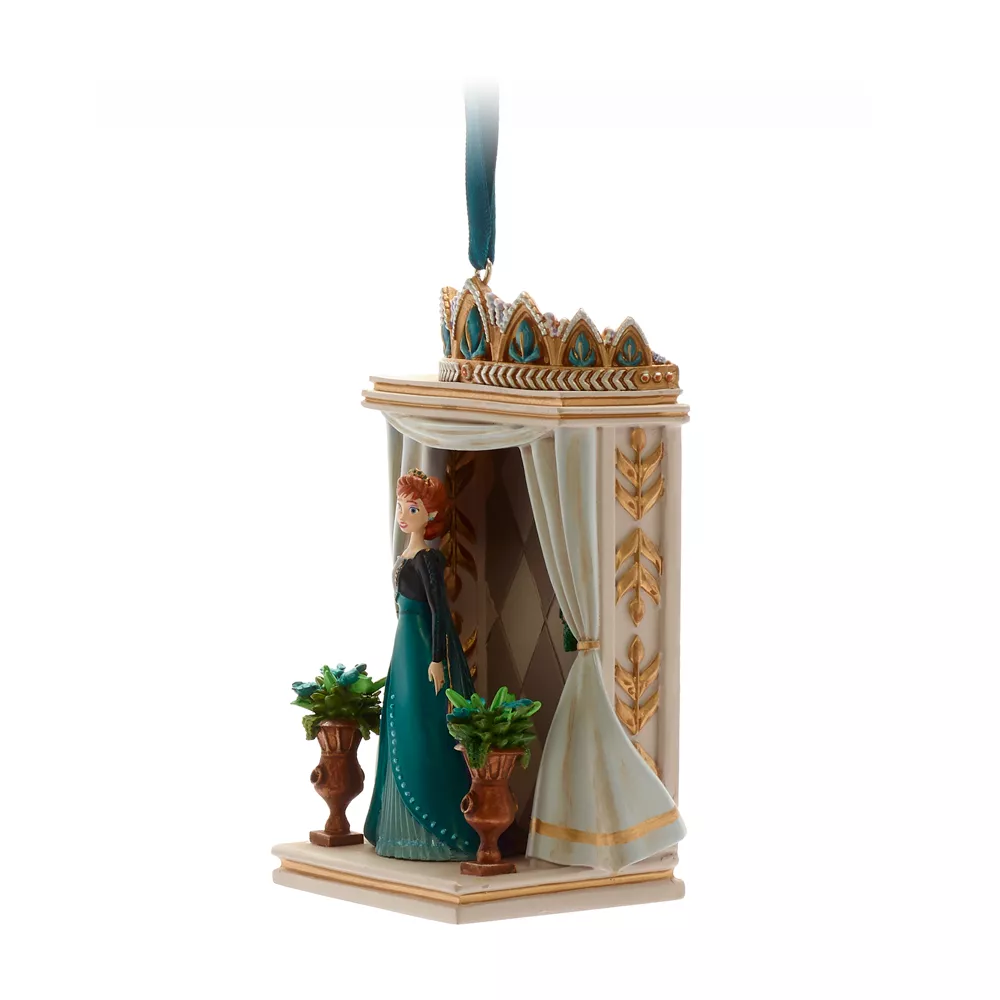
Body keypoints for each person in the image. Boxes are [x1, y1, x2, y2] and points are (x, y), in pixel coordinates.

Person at [363, 469, 478, 860]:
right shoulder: (405, 556)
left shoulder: (428, 559)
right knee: (400, 718)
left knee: (422, 723)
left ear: (430, 515)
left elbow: (439, 610)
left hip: (421, 647)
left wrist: (437, 659)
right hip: (404, 644)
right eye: (400, 507)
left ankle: (438, 829)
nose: (403, 515)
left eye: (412, 509)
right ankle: (397, 829)